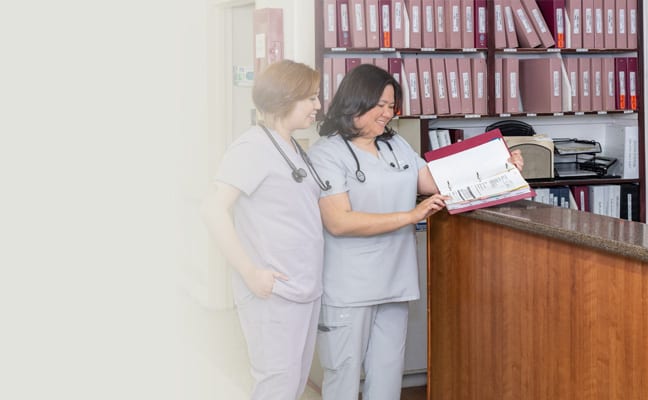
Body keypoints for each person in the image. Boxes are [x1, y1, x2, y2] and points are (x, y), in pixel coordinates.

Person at [307, 64, 520, 400]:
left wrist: (500, 165)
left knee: (387, 381)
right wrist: (411, 215)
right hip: (349, 289)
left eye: (392, 106)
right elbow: (339, 221)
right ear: (355, 101)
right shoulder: (326, 153)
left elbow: (436, 181)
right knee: (343, 381)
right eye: (379, 105)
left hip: (395, 282)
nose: (387, 114)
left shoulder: (396, 146)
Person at [202, 60, 328, 400]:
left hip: (303, 286)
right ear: (285, 99)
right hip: (273, 290)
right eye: (311, 98)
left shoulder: (291, 145)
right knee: (276, 387)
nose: (318, 106)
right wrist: (250, 271)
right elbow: (213, 210)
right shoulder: (251, 148)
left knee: (293, 384)